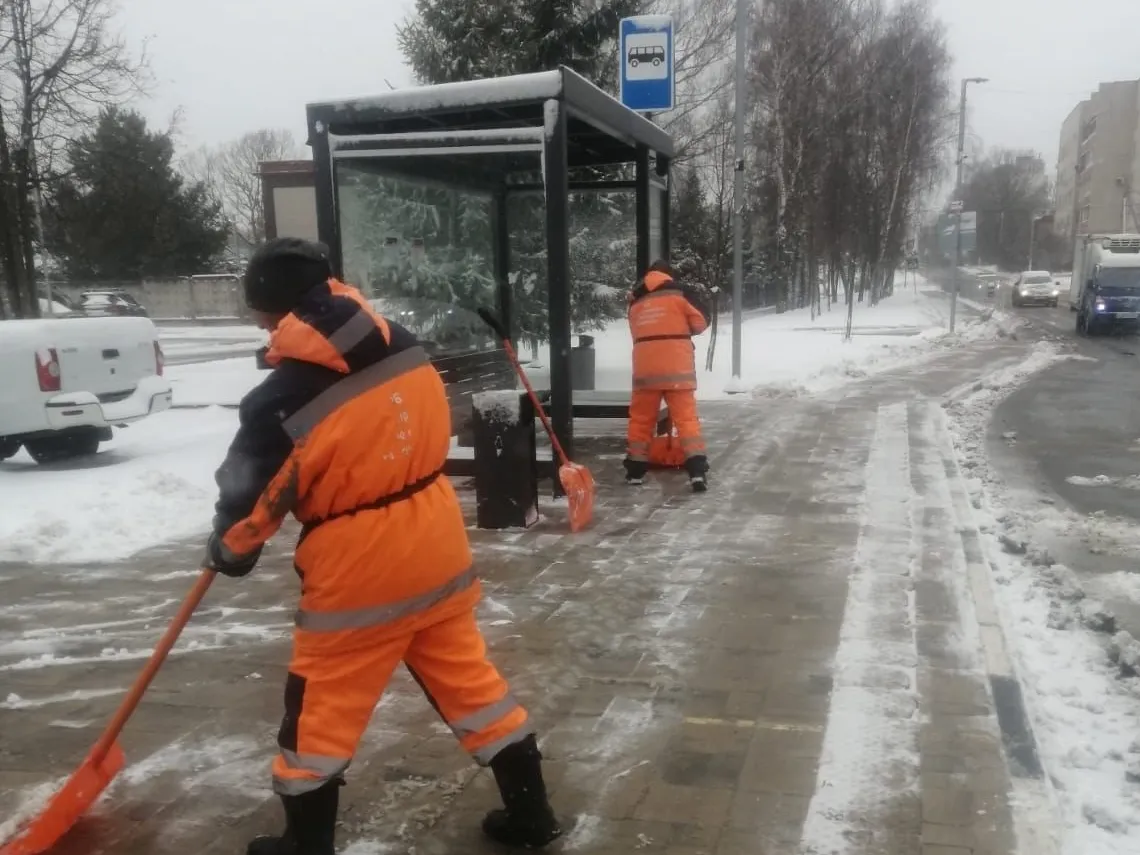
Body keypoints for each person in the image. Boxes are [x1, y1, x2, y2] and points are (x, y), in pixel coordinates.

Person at [204, 238, 561, 855]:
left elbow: (254, 496)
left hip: (359, 573)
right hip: (435, 539)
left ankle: (305, 844)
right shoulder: (403, 343)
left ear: (276, 309)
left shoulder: (282, 397)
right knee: (473, 686)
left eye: (260, 312)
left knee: (321, 710)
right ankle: (532, 816)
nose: (260, 324)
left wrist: (231, 549)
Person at [624, 260, 712, 492]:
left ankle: (635, 470)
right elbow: (701, 322)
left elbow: (635, 330)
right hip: (677, 368)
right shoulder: (679, 292)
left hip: (645, 367)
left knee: (641, 420)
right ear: (668, 275)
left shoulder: (635, 299)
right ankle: (696, 471)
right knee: (686, 419)